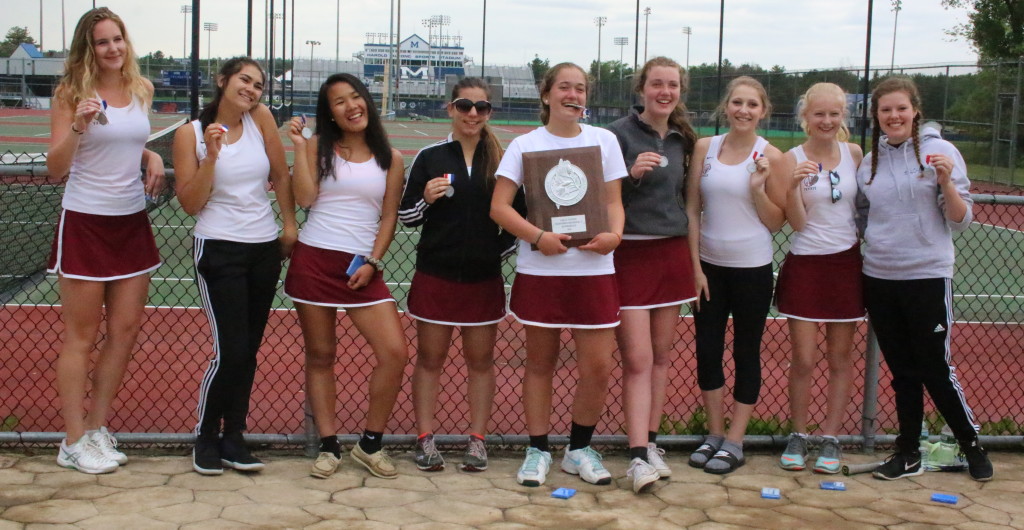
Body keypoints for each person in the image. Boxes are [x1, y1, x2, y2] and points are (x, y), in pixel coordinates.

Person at [490, 62, 626, 488]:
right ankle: (537, 450)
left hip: (594, 268)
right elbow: (499, 207)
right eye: (565, 87)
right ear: (546, 94)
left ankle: (579, 448)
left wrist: (615, 235)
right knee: (540, 364)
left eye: (581, 88)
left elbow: (614, 202)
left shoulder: (604, 141)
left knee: (598, 366)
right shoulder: (525, 145)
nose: (574, 95)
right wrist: (537, 236)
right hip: (542, 268)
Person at [46, 7, 164, 474]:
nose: (113, 48)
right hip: (85, 222)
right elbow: (56, 168)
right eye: (102, 42)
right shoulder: (69, 94)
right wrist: (77, 125)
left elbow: (128, 141)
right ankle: (72, 439)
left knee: (125, 331)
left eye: (118, 39)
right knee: (81, 337)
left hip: (130, 220)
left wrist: (150, 155)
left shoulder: (142, 88)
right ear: (87, 48)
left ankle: (96, 429)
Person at [856, 77, 992, 482]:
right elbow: (863, 216)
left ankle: (971, 444)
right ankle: (908, 450)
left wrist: (946, 183)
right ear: (876, 116)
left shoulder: (940, 152)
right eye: (885, 110)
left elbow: (962, 219)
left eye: (900, 108)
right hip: (880, 277)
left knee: (934, 367)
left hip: (927, 276)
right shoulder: (869, 162)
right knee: (902, 371)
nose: (893, 116)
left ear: (915, 110)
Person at [172, 57, 298, 475]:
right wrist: (211, 155)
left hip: (263, 249)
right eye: (244, 80)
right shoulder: (189, 133)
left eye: (258, 85)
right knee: (231, 350)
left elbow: (281, 175)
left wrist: (289, 224)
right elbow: (191, 204)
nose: (252, 89)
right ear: (223, 81)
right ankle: (206, 435)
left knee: (249, 353)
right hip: (219, 248)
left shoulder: (261, 118)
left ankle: (234, 437)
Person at [285, 73, 408, 480]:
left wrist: (374, 260)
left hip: (361, 264)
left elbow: (389, 215)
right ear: (331, 113)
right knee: (321, 356)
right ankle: (328, 445)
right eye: (339, 102)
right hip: (314, 259)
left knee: (394, 352)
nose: (350, 106)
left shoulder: (390, 157)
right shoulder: (319, 147)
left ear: (366, 101)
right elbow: (304, 198)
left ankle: (370, 444)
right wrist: (300, 148)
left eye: (355, 97)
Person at [399, 77, 523, 472]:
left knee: (481, 362)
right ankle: (425, 438)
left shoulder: (503, 162)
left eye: (481, 107)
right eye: (465, 106)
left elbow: (519, 221)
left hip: (483, 279)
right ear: (450, 108)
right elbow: (406, 216)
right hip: (435, 274)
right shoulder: (429, 157)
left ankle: (478, 440)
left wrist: (493, 253)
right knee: (430, 359)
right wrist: (426, 200)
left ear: (489, 112)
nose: (473, 114)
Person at [605, 57, 698, 493]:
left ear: (680, 90)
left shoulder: (685, 138)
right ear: (642, 89)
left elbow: (690, 201)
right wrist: (630, 176)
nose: (665, 91)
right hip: (631, 254)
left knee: (661, 358)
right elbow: (601, 196)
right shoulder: (617, 135)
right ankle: (637, 455)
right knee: (638, 359)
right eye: (657, 84)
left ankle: (652, 443)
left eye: (672, 85)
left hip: (672, 254)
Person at [684, 76, 784, 475]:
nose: (744, 110)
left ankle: (735, 441)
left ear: (763, 111)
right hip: (709, 268)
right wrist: (694, 268)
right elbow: (692, 209)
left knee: (746, 352)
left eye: (752, 105)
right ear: (727, 106)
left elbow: (776, 221)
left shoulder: (771, 155)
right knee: (707, 351)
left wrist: (759, 186)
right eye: (737, 103)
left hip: (753, 270)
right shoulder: (705, 148)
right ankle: (713, 433)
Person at [770, 83, 865, 474]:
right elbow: (795, 223)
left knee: (840, 359)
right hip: (806, 264)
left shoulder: (855, 154)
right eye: (818, 114)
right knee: (804, 359)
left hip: (846, 264)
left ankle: (831, 437)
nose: (826, 121)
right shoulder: (788, 159)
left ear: (843, 117)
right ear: (805, 118)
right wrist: (793, 186)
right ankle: (799, 433)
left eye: (834, 114)